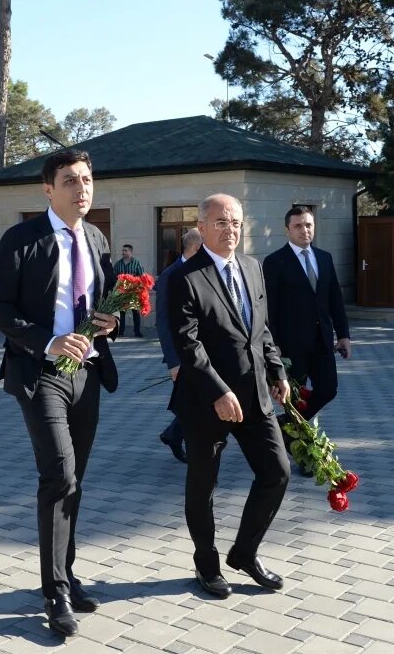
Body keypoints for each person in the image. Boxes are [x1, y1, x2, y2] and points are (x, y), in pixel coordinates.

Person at [0, 149, 119, 638]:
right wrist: (48, 339)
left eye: (87, 179)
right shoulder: (22, 238)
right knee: (58, 475)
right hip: (39, 373)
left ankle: (68, 571)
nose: (82, 188)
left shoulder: (97, 236)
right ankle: (54, 591)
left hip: (87, 372)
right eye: (70, 181)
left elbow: (102, 302)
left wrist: (110, 322)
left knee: (75, 479)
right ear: (48, 189)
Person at [168, 193, 290, 599]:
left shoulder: (253, 268)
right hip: (206, 402)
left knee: (277, 472)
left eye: (236, 221)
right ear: (202, 228)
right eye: (221, 222)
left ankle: (244, 552)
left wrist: (277, 370)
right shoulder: (186, 276)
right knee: (203, 486)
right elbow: (189, 346)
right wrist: (218, 391)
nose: (230, 229)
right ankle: (207, 564)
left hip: (254, 396)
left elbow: (263, 329)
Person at [262, 206, 351, 425]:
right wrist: (273, 344)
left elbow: (335, 300)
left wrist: (343, 335)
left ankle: (285, 426)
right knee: (295, 397)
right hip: (291, 345)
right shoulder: (274, 262)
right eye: (298, 226)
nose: (304, 230)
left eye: (308, 225)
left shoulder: (324, 258)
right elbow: (268, 308)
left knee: (328, 389)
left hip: (322, 341)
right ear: (287, 230)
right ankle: (294, 441)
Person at [153, 228, 203, 464]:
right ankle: (178, 437)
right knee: (196, 400)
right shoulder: (169, 276)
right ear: (194, 248)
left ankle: (173, 434)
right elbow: (162, 321)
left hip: (203, 350)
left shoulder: (203, 270)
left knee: (197, 399)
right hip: (181, 355)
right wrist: (173, 362)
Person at [113, 244, 145, 337]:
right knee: (122, 313)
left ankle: (137, 332)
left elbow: (142, 277)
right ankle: (121, 332)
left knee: (135, 311)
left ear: (131, 252)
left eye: (125, 250)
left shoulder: (137, 263)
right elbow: (114, 277)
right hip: (122, 292)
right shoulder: (118, 264)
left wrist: (139, 288)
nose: (123, 252)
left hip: (133, 291)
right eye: (123, 250)